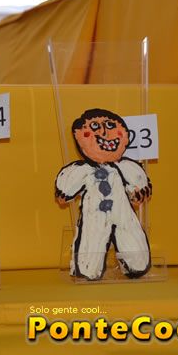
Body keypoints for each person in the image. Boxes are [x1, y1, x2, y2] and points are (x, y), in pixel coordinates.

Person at [55, 109, 151, 281]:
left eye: (111, 125)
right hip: (94, 217)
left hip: (124, 216)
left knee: (135, 251)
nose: (104, 132)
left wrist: (140, 193)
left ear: (125, 135)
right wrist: (63, 191)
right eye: (94, 126)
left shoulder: (128, 167)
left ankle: (136, 265)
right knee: (90, 251)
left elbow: (140, 184)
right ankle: (87, 268)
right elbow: (66, 188)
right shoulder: (82, 170)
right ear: (79, 136)